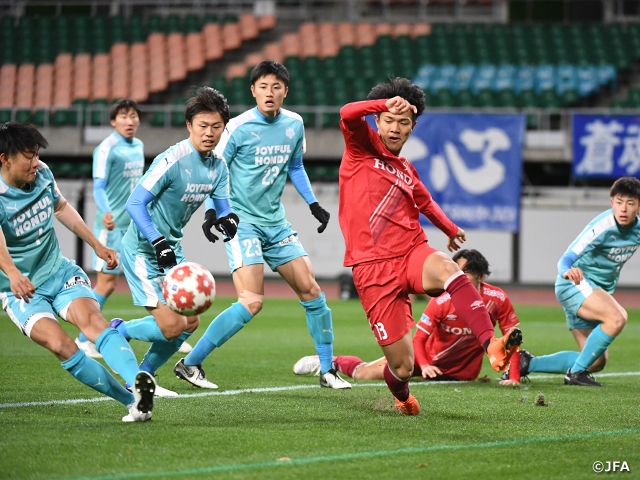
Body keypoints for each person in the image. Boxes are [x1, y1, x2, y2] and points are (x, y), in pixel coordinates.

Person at [336, 78, 522, 415]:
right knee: (403, 367)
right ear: (377, 121)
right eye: (389, 120)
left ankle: (491, 345)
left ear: (413, 127)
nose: (395, 128)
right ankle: (403, 396)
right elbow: (348, 113)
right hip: (372, 267)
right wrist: (385, 103)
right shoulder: (360, 146)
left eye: (403, 122)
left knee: (450, 269)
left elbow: (426, 202)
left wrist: (450, 229)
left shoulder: (407, 169)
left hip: (410, 251)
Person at [173, 60, 351, 390]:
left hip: (276, 223)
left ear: (286, 91)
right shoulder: (237, 128)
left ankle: (328, 371)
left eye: (276, 87)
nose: (270, 93)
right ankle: (191, 363)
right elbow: (215, 168)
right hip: (241, 222)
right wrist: (214, 213)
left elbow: (295, 166)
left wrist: (313, 203)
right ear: (253, 90)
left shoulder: (295, 124)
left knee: (313, 292)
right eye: (263, 87)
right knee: (252, 301)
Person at [0, 122, 154, 422]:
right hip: (20, 289)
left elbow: (61, 207)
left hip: (59, 272)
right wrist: (13, 273)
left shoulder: (43, 173)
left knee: (92, 321)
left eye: (37, 155)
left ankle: (138, 379)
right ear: (4, 158)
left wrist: (96, 244)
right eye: (29, 156)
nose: (36, 162)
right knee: (61, 345)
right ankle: (132, 402)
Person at [108, 87, 238, 396]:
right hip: (142, 249)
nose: (209, 133)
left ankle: (145, 374)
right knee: (171, 326)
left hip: (171, 251)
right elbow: (135, 203)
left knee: (189, 322)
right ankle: (118, 330)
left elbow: (224, 207)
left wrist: (229, 221)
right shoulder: (173, 159)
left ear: (223, 128)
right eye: (203, 126)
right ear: (189, 125)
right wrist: (156, 240)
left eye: (216, 127)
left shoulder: (218, 167)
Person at [294, 249, 522, 384]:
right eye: (456, 271)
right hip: (422, 362)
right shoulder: (442, 301)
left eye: (465, 274)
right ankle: (328, 361)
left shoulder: (497, 299)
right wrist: (424, 365)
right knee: (364, 374)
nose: (457, 277)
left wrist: (514, 376)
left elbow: (511, 338)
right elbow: (419, 340)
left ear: (481, 276)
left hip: (463, 374)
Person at [76, 99, 193, 359]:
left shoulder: (138, 146)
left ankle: (169, 327)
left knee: (155, 280)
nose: (129, 121)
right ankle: (85, 338)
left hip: (134, 226)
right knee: (106, 284)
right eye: (123, 117)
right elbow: (98, 186)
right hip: (110, 226)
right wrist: (105, 210)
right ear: (113, 121)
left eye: (133, 116)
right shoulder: (106, 149)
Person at [504, 176, 640, 387]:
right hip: (575, 284)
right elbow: (565, 258)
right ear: (612, 202)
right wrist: (568, 271)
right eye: (619, 202)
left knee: (595, 361)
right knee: (617, 317)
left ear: (638, 206)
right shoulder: (602, 226)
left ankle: (526, 363)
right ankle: (575, 374)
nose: (623, 209)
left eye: (630, 203)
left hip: (594, 291)